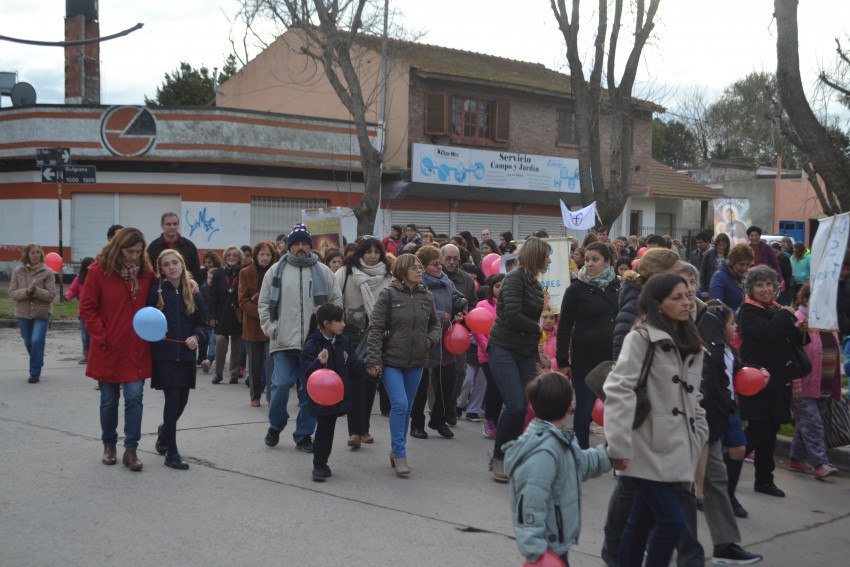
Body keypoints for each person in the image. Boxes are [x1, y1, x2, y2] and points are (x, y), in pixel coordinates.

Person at [604, 273, 709, 567]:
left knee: (640, 524)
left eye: (688, 295)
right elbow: (618, 388)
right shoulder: (641, 337)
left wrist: (699, 431)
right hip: (645, 448)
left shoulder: (692, 340)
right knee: (671, 523)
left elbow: (693, 398)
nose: (686, 302)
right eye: (676, 297)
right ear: (657, 303)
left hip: (679, 448)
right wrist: (619, 446)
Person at [504, 371, 612, 567]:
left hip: (556, 544)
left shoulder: (560, 440)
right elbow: (529, 504)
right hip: (546, 549)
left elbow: (580, 463)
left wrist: (607, 455)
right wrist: (536, 552)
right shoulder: (543, 453)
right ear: (569, 405)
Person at [259, 224, 342, 453]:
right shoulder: (276, 270)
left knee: (310, 392)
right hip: (283, 341)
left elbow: (336, 301)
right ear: (289, 246)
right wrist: (270, 327)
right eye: (297, 243)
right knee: (281, 385)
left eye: (305, 243)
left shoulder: (323, 272)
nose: (301, 247)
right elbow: (264, 303)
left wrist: (328, 326)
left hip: (314, 343)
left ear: (311, 246)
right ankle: (275, 425)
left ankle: (303, 436)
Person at [79, 228, 155, 471]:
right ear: (118, 247)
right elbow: (87, 309)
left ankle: (131, 449)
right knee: (109, 400)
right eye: (130, 251)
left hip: (136, 348)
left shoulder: (146, 274)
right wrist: (103, 336)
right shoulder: (98, 272)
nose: (135, 256)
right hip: (109, 348)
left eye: (139, 252)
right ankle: (109, 444)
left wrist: (192, 283)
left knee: (134, 396)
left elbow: (163, 291)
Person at [696, 303, 765, 563]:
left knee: (718, 481)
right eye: (731, 323)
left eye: (690, 289)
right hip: (694, 424)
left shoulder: (722, 348)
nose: (686, 298)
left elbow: (729, 377)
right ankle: (643, 540)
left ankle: (725, 546)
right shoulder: (698, 346)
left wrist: (757, 372)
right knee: (671, 490)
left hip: (717, 420)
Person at [365, 253, 441, 476]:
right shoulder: (388, 295)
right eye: (415, 268)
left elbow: (435, 324)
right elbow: (376, 328)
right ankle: (399, 453)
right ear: (402, 271)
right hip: (392, 361)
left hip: (417, 361)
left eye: (420, 267)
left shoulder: (427, 296)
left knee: (406, 409)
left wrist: (429, 340)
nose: (420, 271)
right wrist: (374, 360)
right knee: (399, 404)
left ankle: (397, 450)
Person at [486, 236, 550, 483]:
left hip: (524, 352)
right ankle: (499, 457)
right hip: (503, 349)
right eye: (546, 255)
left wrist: (536, 354)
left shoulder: (534, 283)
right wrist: (536, 329)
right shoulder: (514, 278)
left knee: (524, 406)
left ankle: (511, 456)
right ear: (536, 255)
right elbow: (512, 315)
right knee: (515, 405)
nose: (548, 260)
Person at [738, 265, 800, 497]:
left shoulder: (774, 309)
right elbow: (769, 332)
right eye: (759, 285)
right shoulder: (748, 311)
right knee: (758, 431)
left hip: (777, 382)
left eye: (769, 285)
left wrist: (801, 329)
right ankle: (723, 465)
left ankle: (764, 480)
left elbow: (789, 340)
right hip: (757, 382)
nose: (765, 289)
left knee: (770, 433)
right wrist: (786, 314)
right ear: (750, 289)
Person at [148, 250, 208, 470]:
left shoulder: (193, 292)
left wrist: (196, 337)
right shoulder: (156, 292)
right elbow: (146, 321)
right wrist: (154, 336)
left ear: (182, 265)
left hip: (185, 355)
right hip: (164, 356)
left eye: (175, 263)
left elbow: (203, 324)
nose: (171, 267)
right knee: (172, 400)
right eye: (166, 264)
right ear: (161, 269)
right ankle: (171, 453)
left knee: (182, 402)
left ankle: (165, 432)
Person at [556, 241, 620, 449]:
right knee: (584, 410)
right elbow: (564, 326)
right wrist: (562, 360)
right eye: (587, 260)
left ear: (608, 262)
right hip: (584, 358)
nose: (590, 264)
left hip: (612, 359)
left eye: (596, 260)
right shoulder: (576, 289)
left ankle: (614, 453)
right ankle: (581, 453)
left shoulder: (618, 287)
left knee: (614, 410)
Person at [335, 236, 394, 447]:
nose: (372, 256)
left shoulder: (388, 276)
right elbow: (334, 301)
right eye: (368, 252)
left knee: (370, 382)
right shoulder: (345, 273)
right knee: (354, 383)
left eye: (376, 252)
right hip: (350, 335)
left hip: (376, 337)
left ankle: (365, 429)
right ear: (360, 253)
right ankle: (354, 432)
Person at [409, 245, 468, 439]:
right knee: (421, 387)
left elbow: (456, 297)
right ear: (424, 267)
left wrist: (460, 308)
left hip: (447, 341)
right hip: (426, 340)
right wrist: (440, 315)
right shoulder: (417, 285)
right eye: (435, 264)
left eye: (439, 263)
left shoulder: (446, 281)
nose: (440, 267)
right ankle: (417, 424)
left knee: (447, 383)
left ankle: (439, 420)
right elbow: (416, 308)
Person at [301, 304, 362, 481]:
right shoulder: (314, 343)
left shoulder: (343, 341)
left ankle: (323, 463)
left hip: (336, 396)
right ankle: (318, 465)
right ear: (326, 323)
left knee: (329, 428)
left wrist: (369, 368)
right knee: (324, 429)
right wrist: (318, 362)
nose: (343, 324)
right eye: (339, 321)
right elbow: (306, 371)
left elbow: (352, 366)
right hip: (321, 397)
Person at [789, 285, 840, 479]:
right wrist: (795, 384)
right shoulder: (799, 321)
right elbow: (793, 354)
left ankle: (796, 459)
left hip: (823, 385)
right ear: (805, 299)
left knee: (807, 423)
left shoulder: (828, 322)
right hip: (804, 386)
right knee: (813, 424)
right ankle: (820, 463)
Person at [239, 240, 279, 407]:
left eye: (268, 254)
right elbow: (243, 301)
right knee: (254, 364)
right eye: (262, 254)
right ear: (256, 255)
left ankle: (271, 397)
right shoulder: (246, 272)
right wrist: (263, 313)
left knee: (272, 364)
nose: (265, 257)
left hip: (273, 325)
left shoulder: (278, 272)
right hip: (253, 325)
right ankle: (255, 396)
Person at [9, 243, 56, 384]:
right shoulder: (18, 271)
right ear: (27, 255)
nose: (36, 255)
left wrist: (35, 291)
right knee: (28, 341)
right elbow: (12, 293)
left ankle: (34, 373)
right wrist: (26, 291)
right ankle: (38, 359)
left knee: (37, 340)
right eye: (33, 253)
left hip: (42, 312)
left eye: (38, 252)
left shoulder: (48, 272)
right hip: (23, 313)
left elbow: (51, 295)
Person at [441, 243, 477, 422]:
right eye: (448, 258)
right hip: (438, 330)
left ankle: (450, 406)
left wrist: (465, 314)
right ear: (441, 258)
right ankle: (439, 409)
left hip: (458, 332)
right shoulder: (434, 277)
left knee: (460, 371)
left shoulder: (466, 280)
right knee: (436, 372)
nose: (452, 262)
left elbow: (473, 303)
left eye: (455, 258)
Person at [473, 273, 505, 439]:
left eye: (504, 286)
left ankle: (496, 419)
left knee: (501, 387)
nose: (501, 290)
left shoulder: (510, 305)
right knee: (493, 384)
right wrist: (488, 347)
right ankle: (489, 420)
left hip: (506, 353)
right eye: (498, 286)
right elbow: (477, 330)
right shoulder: (483, 305)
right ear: (491, 287)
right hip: (488, 353)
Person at [209, 245, 244, 385]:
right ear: (225, 257)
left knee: (237, 345)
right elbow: (211, 297)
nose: (231, 258)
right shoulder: (218, 274)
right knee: (221, 342)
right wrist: (211, 316)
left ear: (239, 258)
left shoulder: (244, 272)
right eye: (229, 255)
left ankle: (234, 374)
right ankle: (218, 373)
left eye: (235, 255)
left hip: (238, 314)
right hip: (222, 313)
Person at [147, 212, 202, 282]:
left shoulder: (189, 246)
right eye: (168, 224)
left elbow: (196, 272)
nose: (172, 227)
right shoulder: (153, 247)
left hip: (185, 289)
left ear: (178, 225)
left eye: (175, 224)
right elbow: (149, 272)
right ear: (162, 226)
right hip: (160, 288)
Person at [64, 257, 95, 365]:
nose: (90, 267)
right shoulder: (79, 279)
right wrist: (68, 295)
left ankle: (95, 355)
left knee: (95, 334)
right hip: (83, 312)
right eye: (88, 265)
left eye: (92, 264)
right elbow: (73, 290)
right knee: (85, 335)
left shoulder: (98, 277)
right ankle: (86, 355)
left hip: (96, 311)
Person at [709, 243, 754, 311]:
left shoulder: (741, 276)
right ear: (732, 262)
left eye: (748, 264)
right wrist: (736, 315)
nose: (745, 268)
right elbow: (716, 306)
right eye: (741, 264)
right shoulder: (719, 277)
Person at [699, 233, 731, 300]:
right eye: (720, 245)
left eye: (724, 245)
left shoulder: (730, 256)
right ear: (716, 244)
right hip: (710, 288)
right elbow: (702, 272)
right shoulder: (709, 254)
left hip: (726, 288)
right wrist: (703, 289)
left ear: (727, 245)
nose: (721, 247)